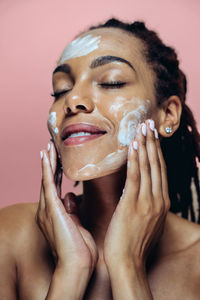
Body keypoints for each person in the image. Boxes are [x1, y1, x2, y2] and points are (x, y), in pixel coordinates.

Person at [1, 18, 200, 299]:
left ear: (168, 114)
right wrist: (71, 270)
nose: (72, 100)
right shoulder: (10, 236)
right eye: (61, 89)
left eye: (111, 82)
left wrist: (127, 266)